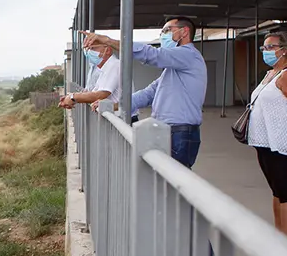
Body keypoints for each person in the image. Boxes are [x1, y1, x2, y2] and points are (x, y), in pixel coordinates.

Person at [81, 16, 207, 167]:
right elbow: (148, 94)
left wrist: (108, 41)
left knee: (173, 183)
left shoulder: (188, 55)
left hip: (180, 132)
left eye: (167, 30)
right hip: (167, 131)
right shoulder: (172, 70)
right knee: (163, 182)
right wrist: (113, 105)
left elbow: (153, 55)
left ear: (184, 32)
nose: (163, 35)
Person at [248, 31, 287, 238]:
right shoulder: (271, 73)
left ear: (284, 50)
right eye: (263, 48)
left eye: (270, 47)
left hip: (281, 140)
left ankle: (286, 240)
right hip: (265, 140)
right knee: (276, 188)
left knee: (284, 189)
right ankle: (279, 234)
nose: (265, 52)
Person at [60, 44, 138, 123]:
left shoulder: (114, 65)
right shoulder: (105, 69)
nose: (89, 52)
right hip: (119, 120)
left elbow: (100, 94)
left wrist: (73, 97)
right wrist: (73, 98)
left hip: (125, 121)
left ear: (107, 50)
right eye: (88, 49)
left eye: (92, 48)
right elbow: (93, 93)